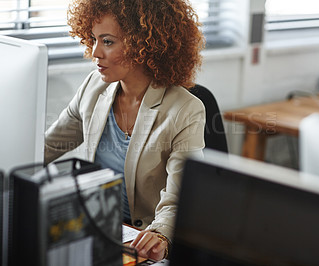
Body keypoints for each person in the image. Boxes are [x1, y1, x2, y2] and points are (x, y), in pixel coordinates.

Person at [44, 0, 205, 261]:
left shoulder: (185, 109)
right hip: (97, 231)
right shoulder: (93, 87)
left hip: (144, 242)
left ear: (144, 44)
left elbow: (182, 195)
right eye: (93, 39)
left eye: (107, 41)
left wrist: (161, 235)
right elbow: (48, 146)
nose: (95, 52)